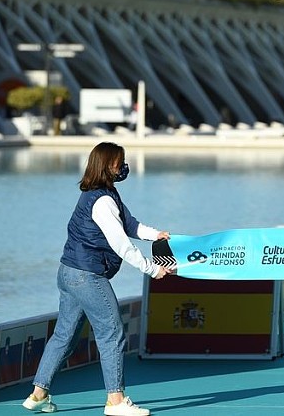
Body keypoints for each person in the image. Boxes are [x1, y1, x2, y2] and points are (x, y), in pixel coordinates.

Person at [22, 142, 173, 416]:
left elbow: (130, 224)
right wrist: (152, 268)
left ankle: (38, 395)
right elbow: (121, 244)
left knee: (64, 336)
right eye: (119, 163)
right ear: (105, 166)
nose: (123, 167)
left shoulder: (103, 194)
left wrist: (156, 235)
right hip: (87, 276)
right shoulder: (102, 201)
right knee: (112, 333)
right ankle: (115, 401)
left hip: (69, 272)